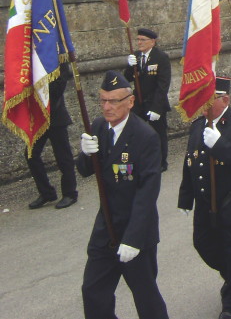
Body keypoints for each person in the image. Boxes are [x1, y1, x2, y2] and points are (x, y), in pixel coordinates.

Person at [77, 71, 168, 319]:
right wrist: (84, 153)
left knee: (145, 295)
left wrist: (134, 238)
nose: (107, 107)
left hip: (135, 229)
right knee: (93, 292)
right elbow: (87, 171)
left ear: (130, 101)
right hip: (106, 226)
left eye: (114, 101)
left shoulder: (145, 137)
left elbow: (147, 192)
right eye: (103, 100)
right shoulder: (97, 126)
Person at [178, 76, 231, 319]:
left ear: (225, 99)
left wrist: (220, 144)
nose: (204, 103)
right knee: (203, 245)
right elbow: (189, 163)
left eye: (209, 98)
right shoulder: (197, 126)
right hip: (205, 203)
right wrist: (185, 198)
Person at [26, 64, 78, 210]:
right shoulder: (34, 61)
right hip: (38, 118)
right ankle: (46, 192)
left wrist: (39, 84)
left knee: (63, 157)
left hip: (56, 116)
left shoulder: (59, 62)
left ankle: (70, 193)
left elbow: (58, 88)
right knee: (31, 154)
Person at [125, 28, 172, 170]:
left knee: (159, 134)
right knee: (134, 133)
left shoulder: (161, 57)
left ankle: (161, 162)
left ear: (152, 42)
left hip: (155, 103)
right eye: (138, 40)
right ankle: (140, 160)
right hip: (138, 102)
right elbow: (127, 78)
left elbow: (163, 85)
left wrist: (156, 108)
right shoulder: (137, 56)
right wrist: (129, 66)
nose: (139, 43)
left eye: (143, 40)